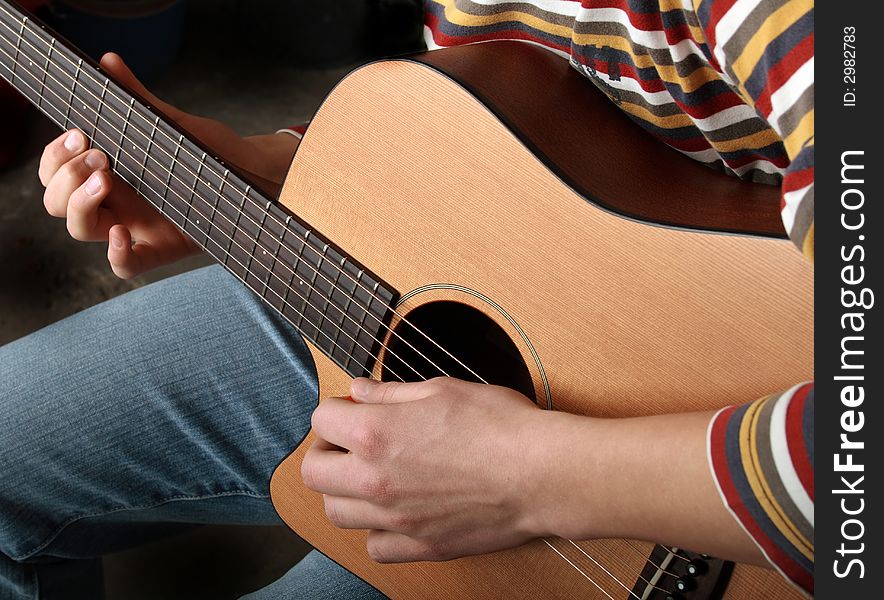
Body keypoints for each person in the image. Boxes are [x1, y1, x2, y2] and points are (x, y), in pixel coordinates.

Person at [0, 0, 813, 598]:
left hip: (714, 501)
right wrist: (266, 172)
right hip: (448, 294)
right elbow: (516, 129)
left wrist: (524, 474)